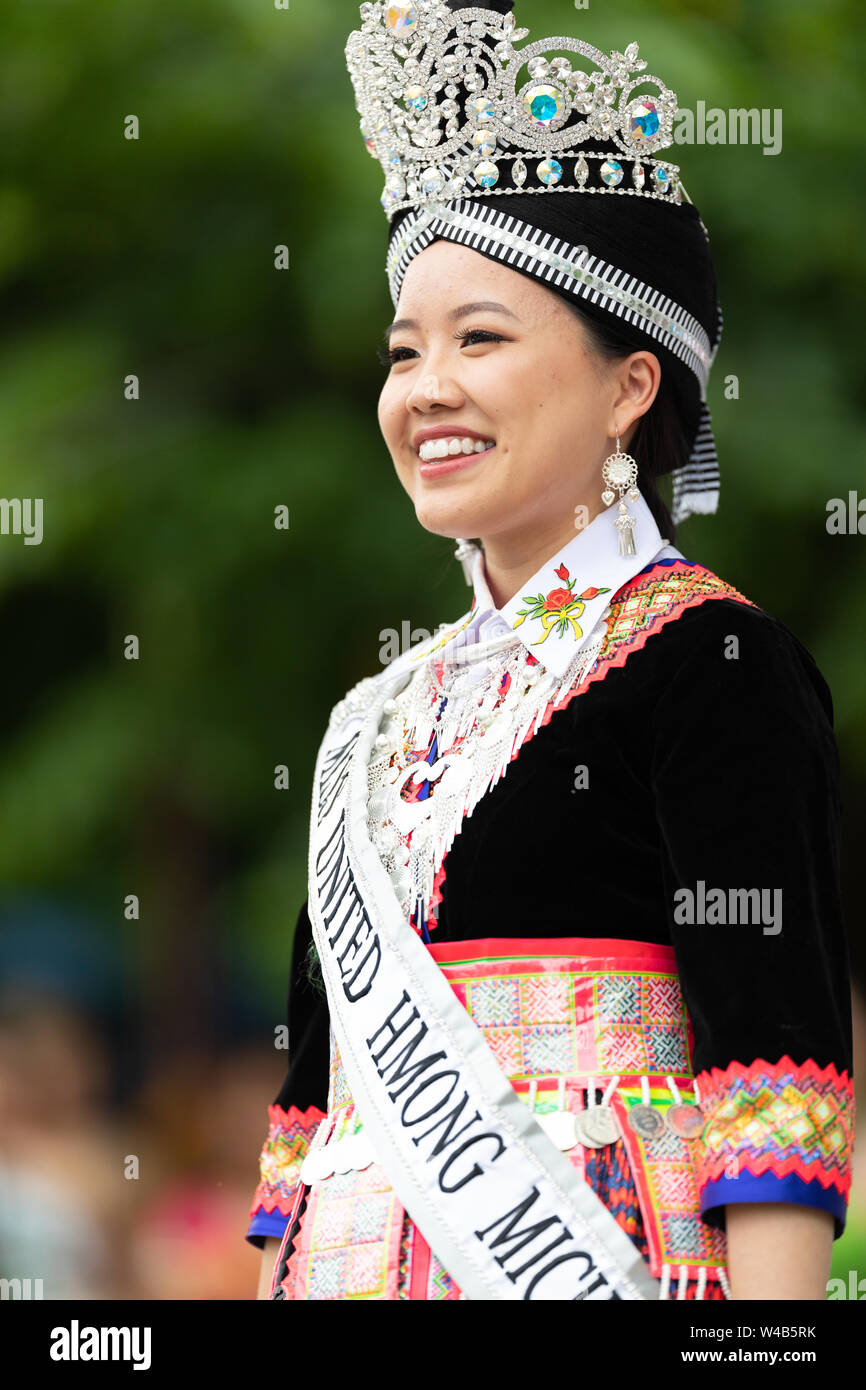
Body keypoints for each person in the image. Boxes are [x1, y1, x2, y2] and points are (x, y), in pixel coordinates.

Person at [245, 0, 854, 1300]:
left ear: (629, 384)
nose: (423, 388)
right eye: (403, 350)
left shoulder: (712, 664)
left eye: (479, 338)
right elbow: (306, 1121)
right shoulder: (377, 713)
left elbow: (778, 1079)